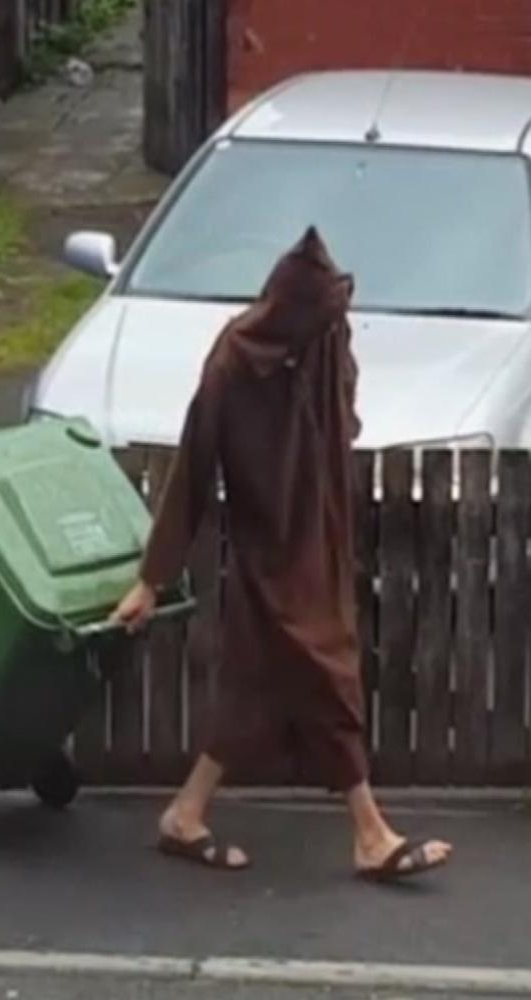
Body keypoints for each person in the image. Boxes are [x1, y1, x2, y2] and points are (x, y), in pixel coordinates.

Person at [112, 228, 452, 881]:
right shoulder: (234, 363)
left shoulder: (325, 342)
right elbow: (193, 469)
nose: (336, 329)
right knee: (330, 673)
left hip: (316, 535)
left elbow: (343, 416)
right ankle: (370, 834)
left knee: (257, 686)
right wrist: (152, 580)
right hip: (269, 551)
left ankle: (185, 814)